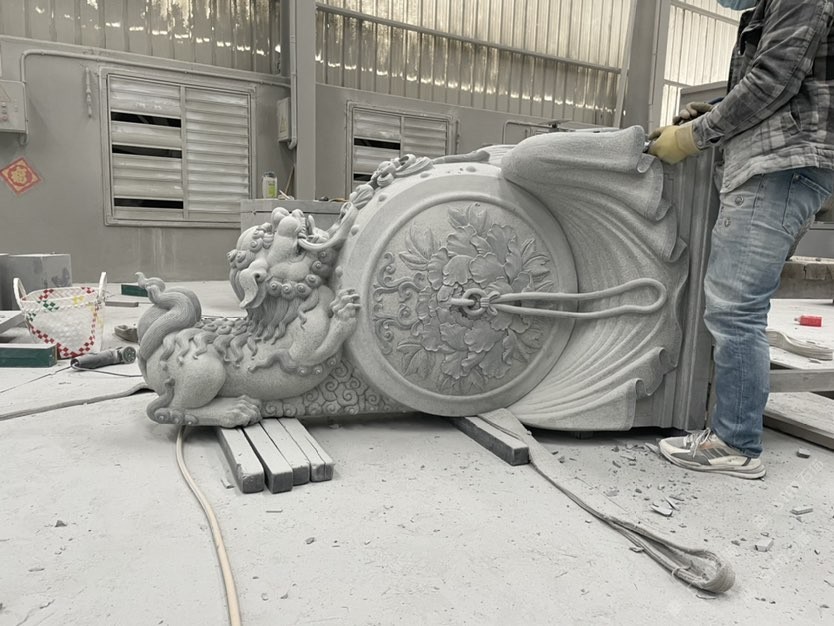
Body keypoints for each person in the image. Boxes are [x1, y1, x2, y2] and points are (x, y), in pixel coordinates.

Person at [648, 0, 834, 479]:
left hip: (777, 164)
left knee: (735, 308)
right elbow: (790, 83)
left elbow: (773, 79)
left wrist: (695, 135)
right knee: (739, 306)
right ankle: (732, 432)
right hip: (780, 160)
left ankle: (735, 442)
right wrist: (713, 113)